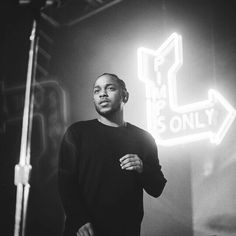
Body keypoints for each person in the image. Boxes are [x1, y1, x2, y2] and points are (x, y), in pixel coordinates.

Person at [58, 73, 167, 236]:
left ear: (125, 95)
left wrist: (142, 168)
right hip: (85, 231)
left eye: (110, 88)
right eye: (97, 90)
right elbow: (66, 182)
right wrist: (79, 219)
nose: (102, 94)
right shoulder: (77, 133)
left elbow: (157, 187)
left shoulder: (143, 138)